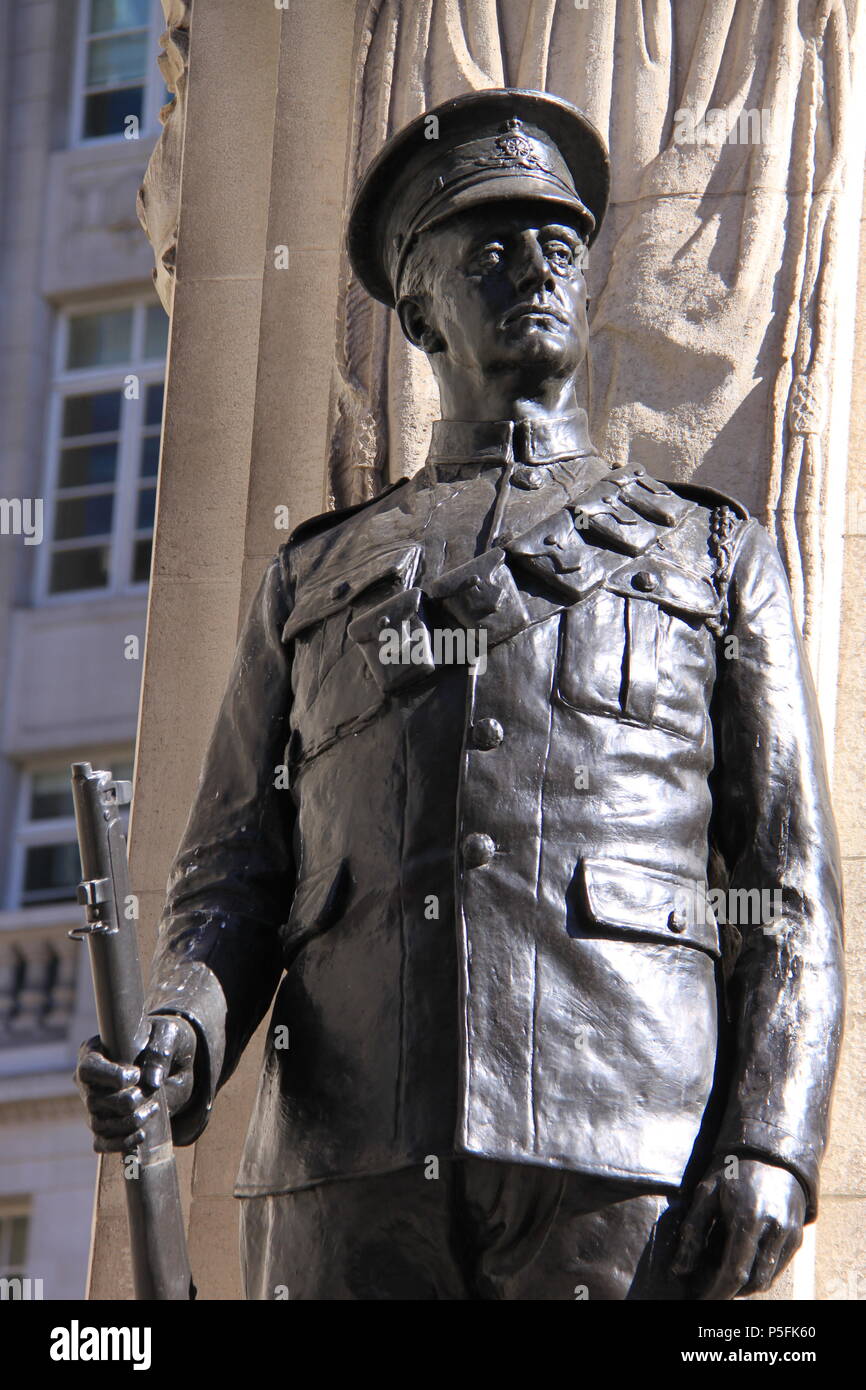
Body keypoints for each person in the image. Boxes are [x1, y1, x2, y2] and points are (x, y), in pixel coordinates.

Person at [77, 89, 844, 1300]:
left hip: (621, 1139)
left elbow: (785, 891)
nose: (532, 270)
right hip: (349, 1163)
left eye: (555, 248)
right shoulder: (313, 575)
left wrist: (770, 1140)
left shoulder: (710, 554)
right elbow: (231, 873)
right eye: (488, 251)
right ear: (419, 310)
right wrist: (175, 1041)